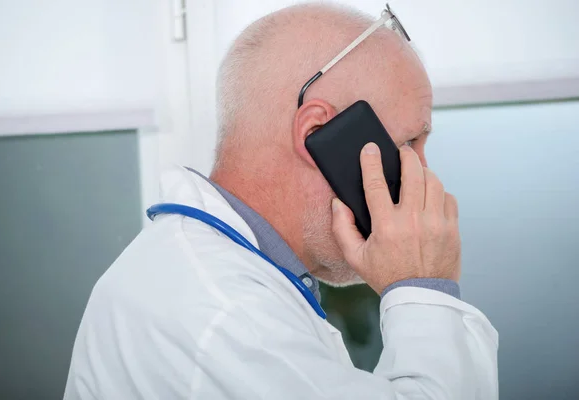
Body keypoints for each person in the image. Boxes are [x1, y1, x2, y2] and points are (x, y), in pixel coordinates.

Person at [64, 3, 498, 399]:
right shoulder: (227, 313)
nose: (423, 176)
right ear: (315, 137)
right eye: (409, 142)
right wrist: (423, 287)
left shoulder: (213, 276)